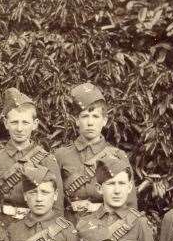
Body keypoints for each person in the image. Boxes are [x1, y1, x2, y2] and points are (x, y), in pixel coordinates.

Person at [52, 82, 136, 219]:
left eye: (95, 116)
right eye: (85, 116)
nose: (90, 122)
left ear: (104, 120)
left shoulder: (118, 156)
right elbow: (54, 204)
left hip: (107, 231)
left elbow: (130, 206)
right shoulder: (61, 156)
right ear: (77, 120)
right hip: (71, 229)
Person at [0, 87, 64, 220]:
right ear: (5, 123)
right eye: (14, 122)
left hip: (35, 225)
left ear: (35, 124)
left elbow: (57, 206)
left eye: (25, 122)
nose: (19, 128)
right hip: (2, 224)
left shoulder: (47, 159)